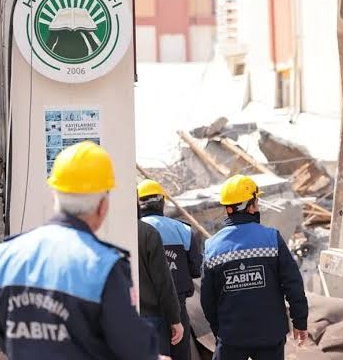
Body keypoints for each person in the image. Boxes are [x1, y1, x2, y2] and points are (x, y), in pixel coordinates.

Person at [0, 141, 160, 359]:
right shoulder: (103, 265)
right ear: (103, 206)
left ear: (55, 195)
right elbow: (134, 348)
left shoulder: (6, 255)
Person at [200, 174, 308, 360]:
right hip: (270, 334)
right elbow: (293, 285)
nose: (258, 207)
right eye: (256, 202)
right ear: (250, 207)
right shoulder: (272, 239)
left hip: (231, 336)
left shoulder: (212, 246)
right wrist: (300, 321)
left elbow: (207, 298)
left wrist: (220, 330)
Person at [137, 179, 202, 360]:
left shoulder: (136, 231)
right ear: (162, 202)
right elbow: (196, 270)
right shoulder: (184, 230)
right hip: (178, 309)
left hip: (146, 311)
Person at [137, 201, 184, 356]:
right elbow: (163, 281)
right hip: (151, 319)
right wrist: (175, 319)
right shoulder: (147, 233)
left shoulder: (98, 234)